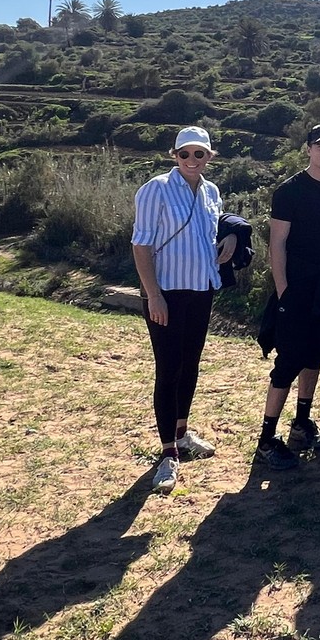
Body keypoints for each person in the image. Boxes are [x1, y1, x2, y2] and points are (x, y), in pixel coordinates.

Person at [131, 127, 237, 493]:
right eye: (185, 154)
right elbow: (141, 244)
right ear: (173, 155)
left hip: (200, 289)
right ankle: (167, 453)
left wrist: (232, 236)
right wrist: (153, 295)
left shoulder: (211, 191)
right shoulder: (155, 189)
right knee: (169, 368)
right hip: (166, 293)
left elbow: (214, 229)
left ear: (210, 157)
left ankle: (181, 431)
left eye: (200, 154)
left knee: (190, 363)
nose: (192, 160)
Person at [255, 124, 320, 470]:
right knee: (288, 361)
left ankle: (301, 423)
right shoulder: (289, 190)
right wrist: (284, 291)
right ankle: (266, 438)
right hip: (297, 286)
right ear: (309, 149)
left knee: (314, 356)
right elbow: (277, 244)